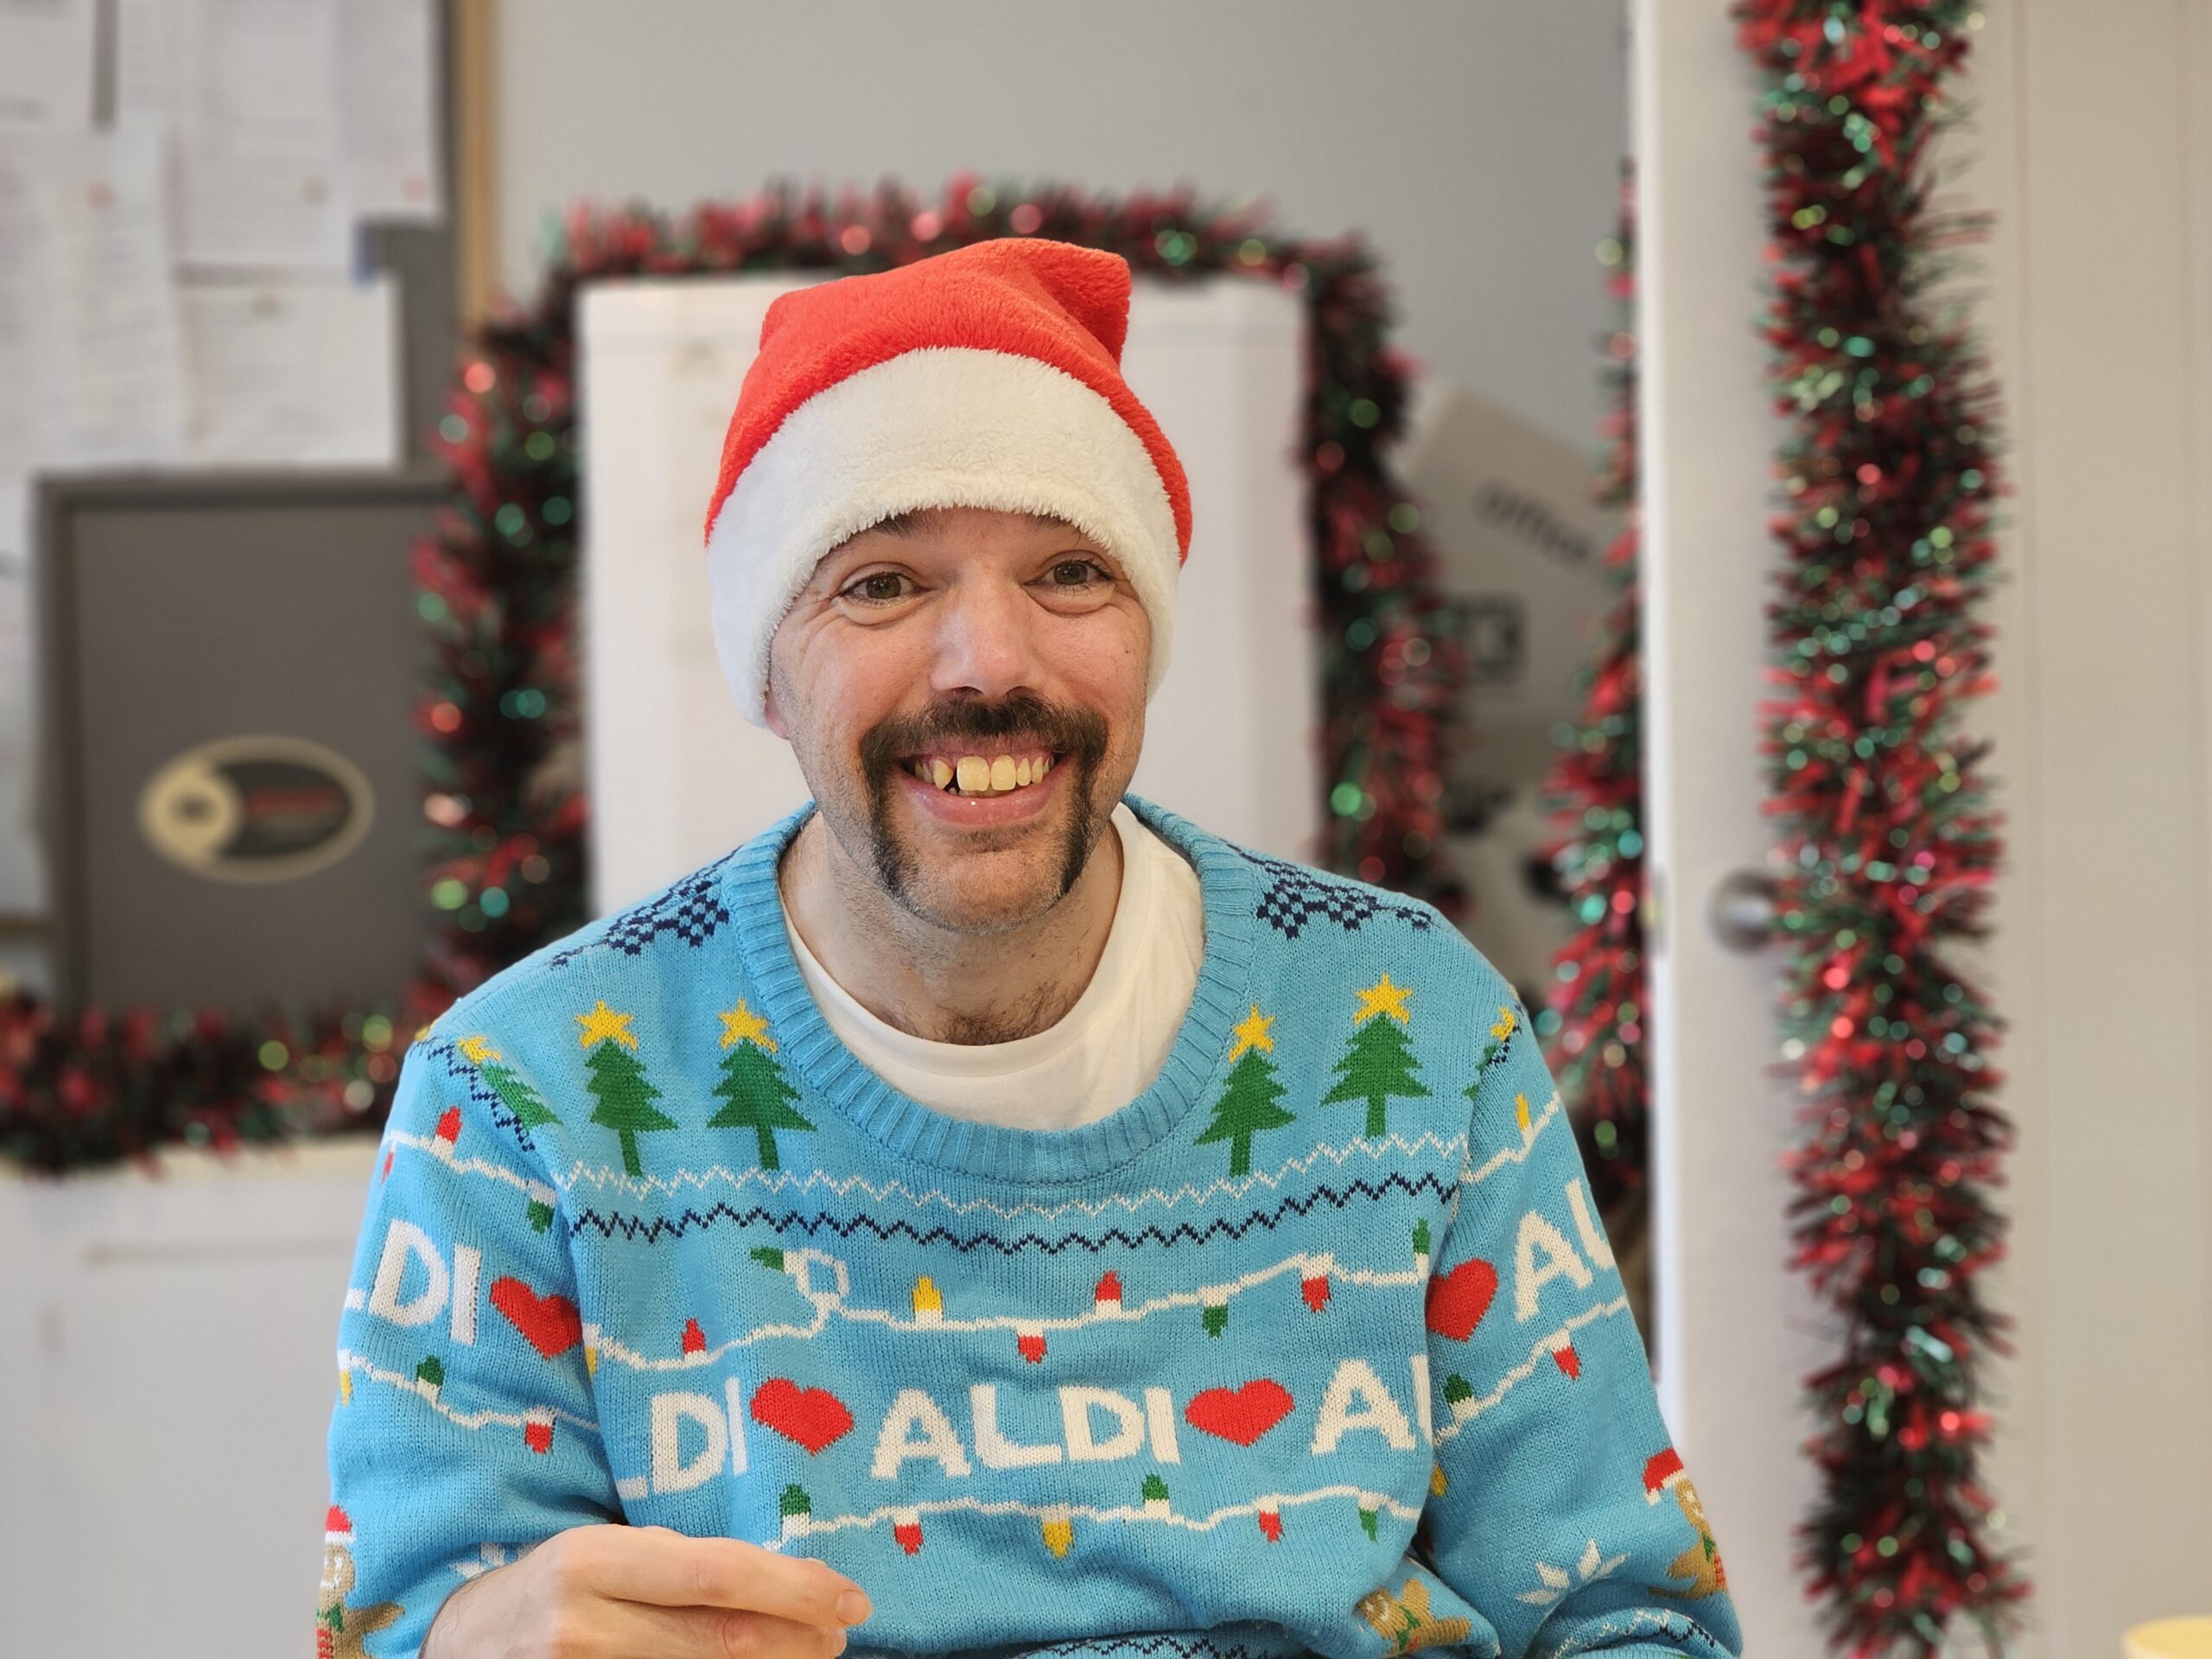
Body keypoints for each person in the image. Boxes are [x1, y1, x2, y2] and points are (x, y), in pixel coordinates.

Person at [321, 237, 1742, 1659]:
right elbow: (395, 1622)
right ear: (768, 667)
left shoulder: (1411, 1020)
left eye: (1070, 571)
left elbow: (1627, 1612)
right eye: (881, 584)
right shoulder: (521, 1096)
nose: (988, 663)